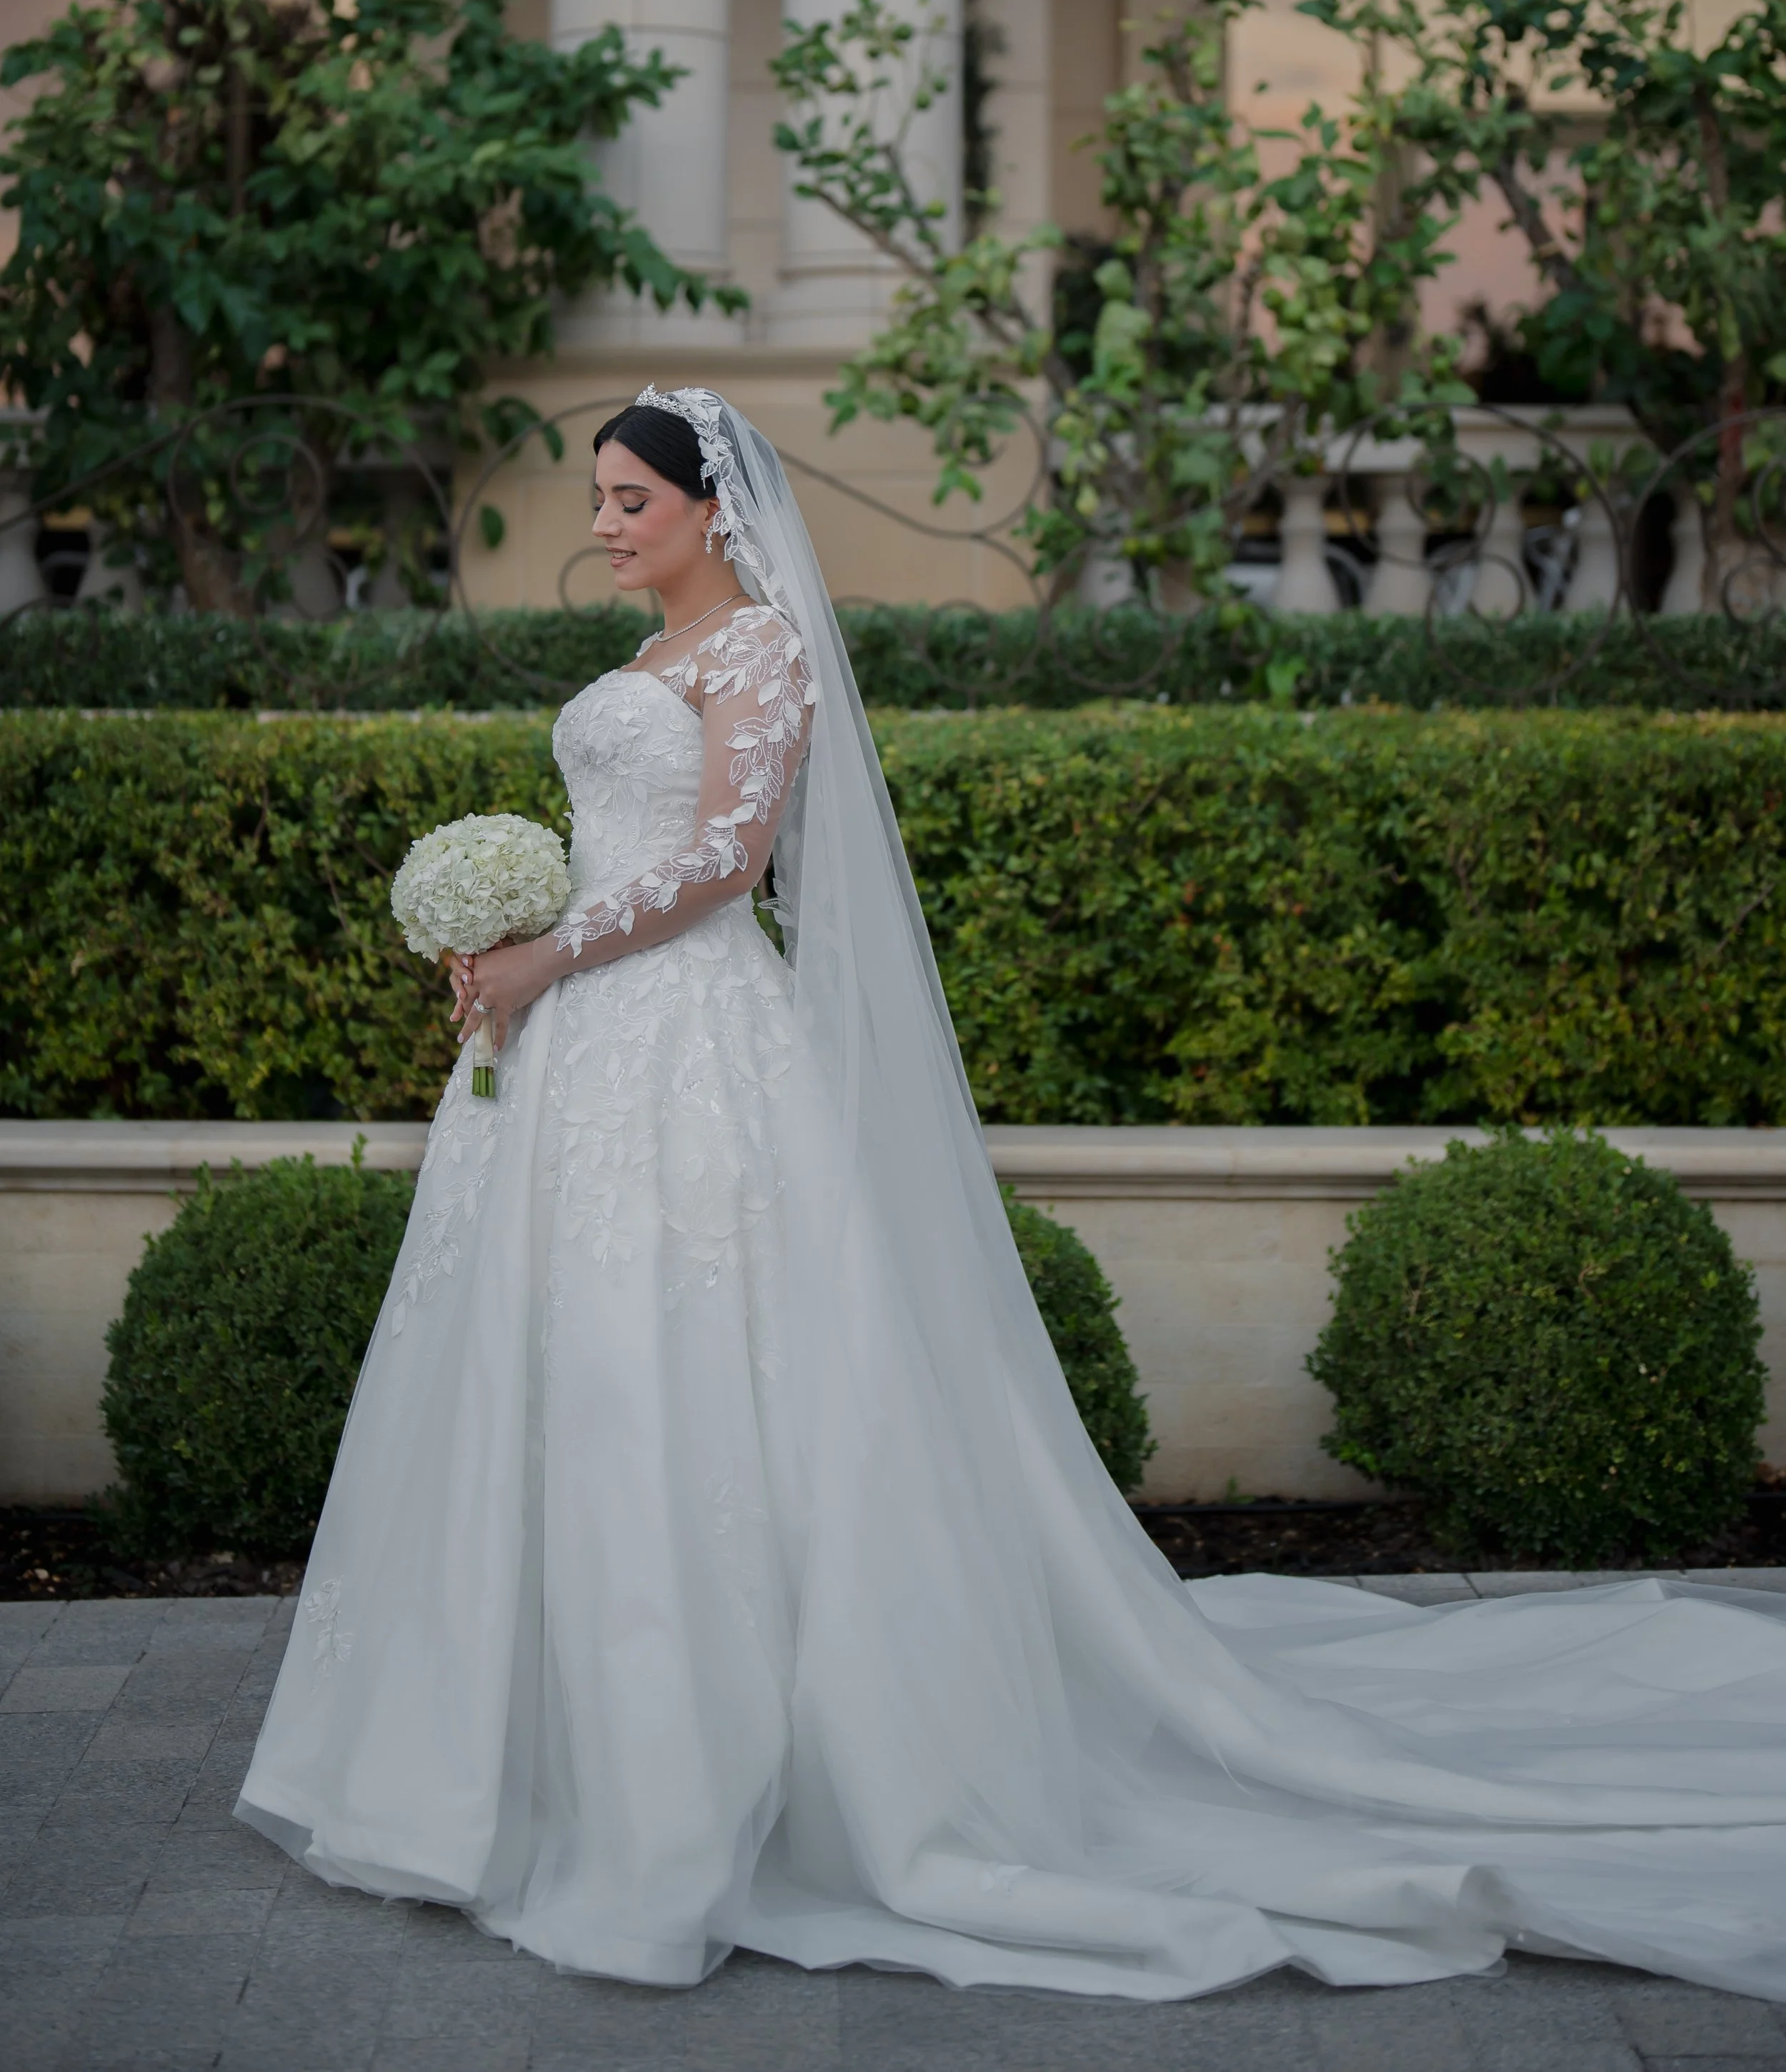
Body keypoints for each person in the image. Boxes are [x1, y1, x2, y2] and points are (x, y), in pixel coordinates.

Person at [239, 386, 1786, 2003]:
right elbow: (629, 837)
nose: (606, 524)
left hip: (692, 1039)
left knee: (698, 1371)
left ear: (714, 509)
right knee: (562, 1375)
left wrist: (548, 947)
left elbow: (721, 860)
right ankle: (519, 1753)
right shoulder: (638, 664)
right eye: (602, 498)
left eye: (631, 499)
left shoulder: (760, 651)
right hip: (578, 1052)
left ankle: (730, 1767)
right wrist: (509, 954)